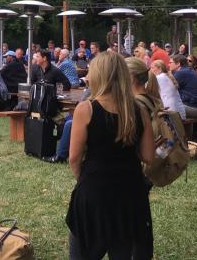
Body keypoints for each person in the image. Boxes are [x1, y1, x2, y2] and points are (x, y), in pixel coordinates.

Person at [66, 51, 154, 259]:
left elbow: (74, 158)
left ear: (98, 75)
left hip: (94, 191)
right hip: (130, 192)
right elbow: (148, 156)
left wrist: (84, 179)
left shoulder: (86, 109)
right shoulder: (139, 110)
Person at [169, 54, 197, 118]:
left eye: (170, 62)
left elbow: (168, 90)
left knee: (169, 107)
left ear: (178, 64)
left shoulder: (181, 73)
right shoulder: (188, 70)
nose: (168, 65)